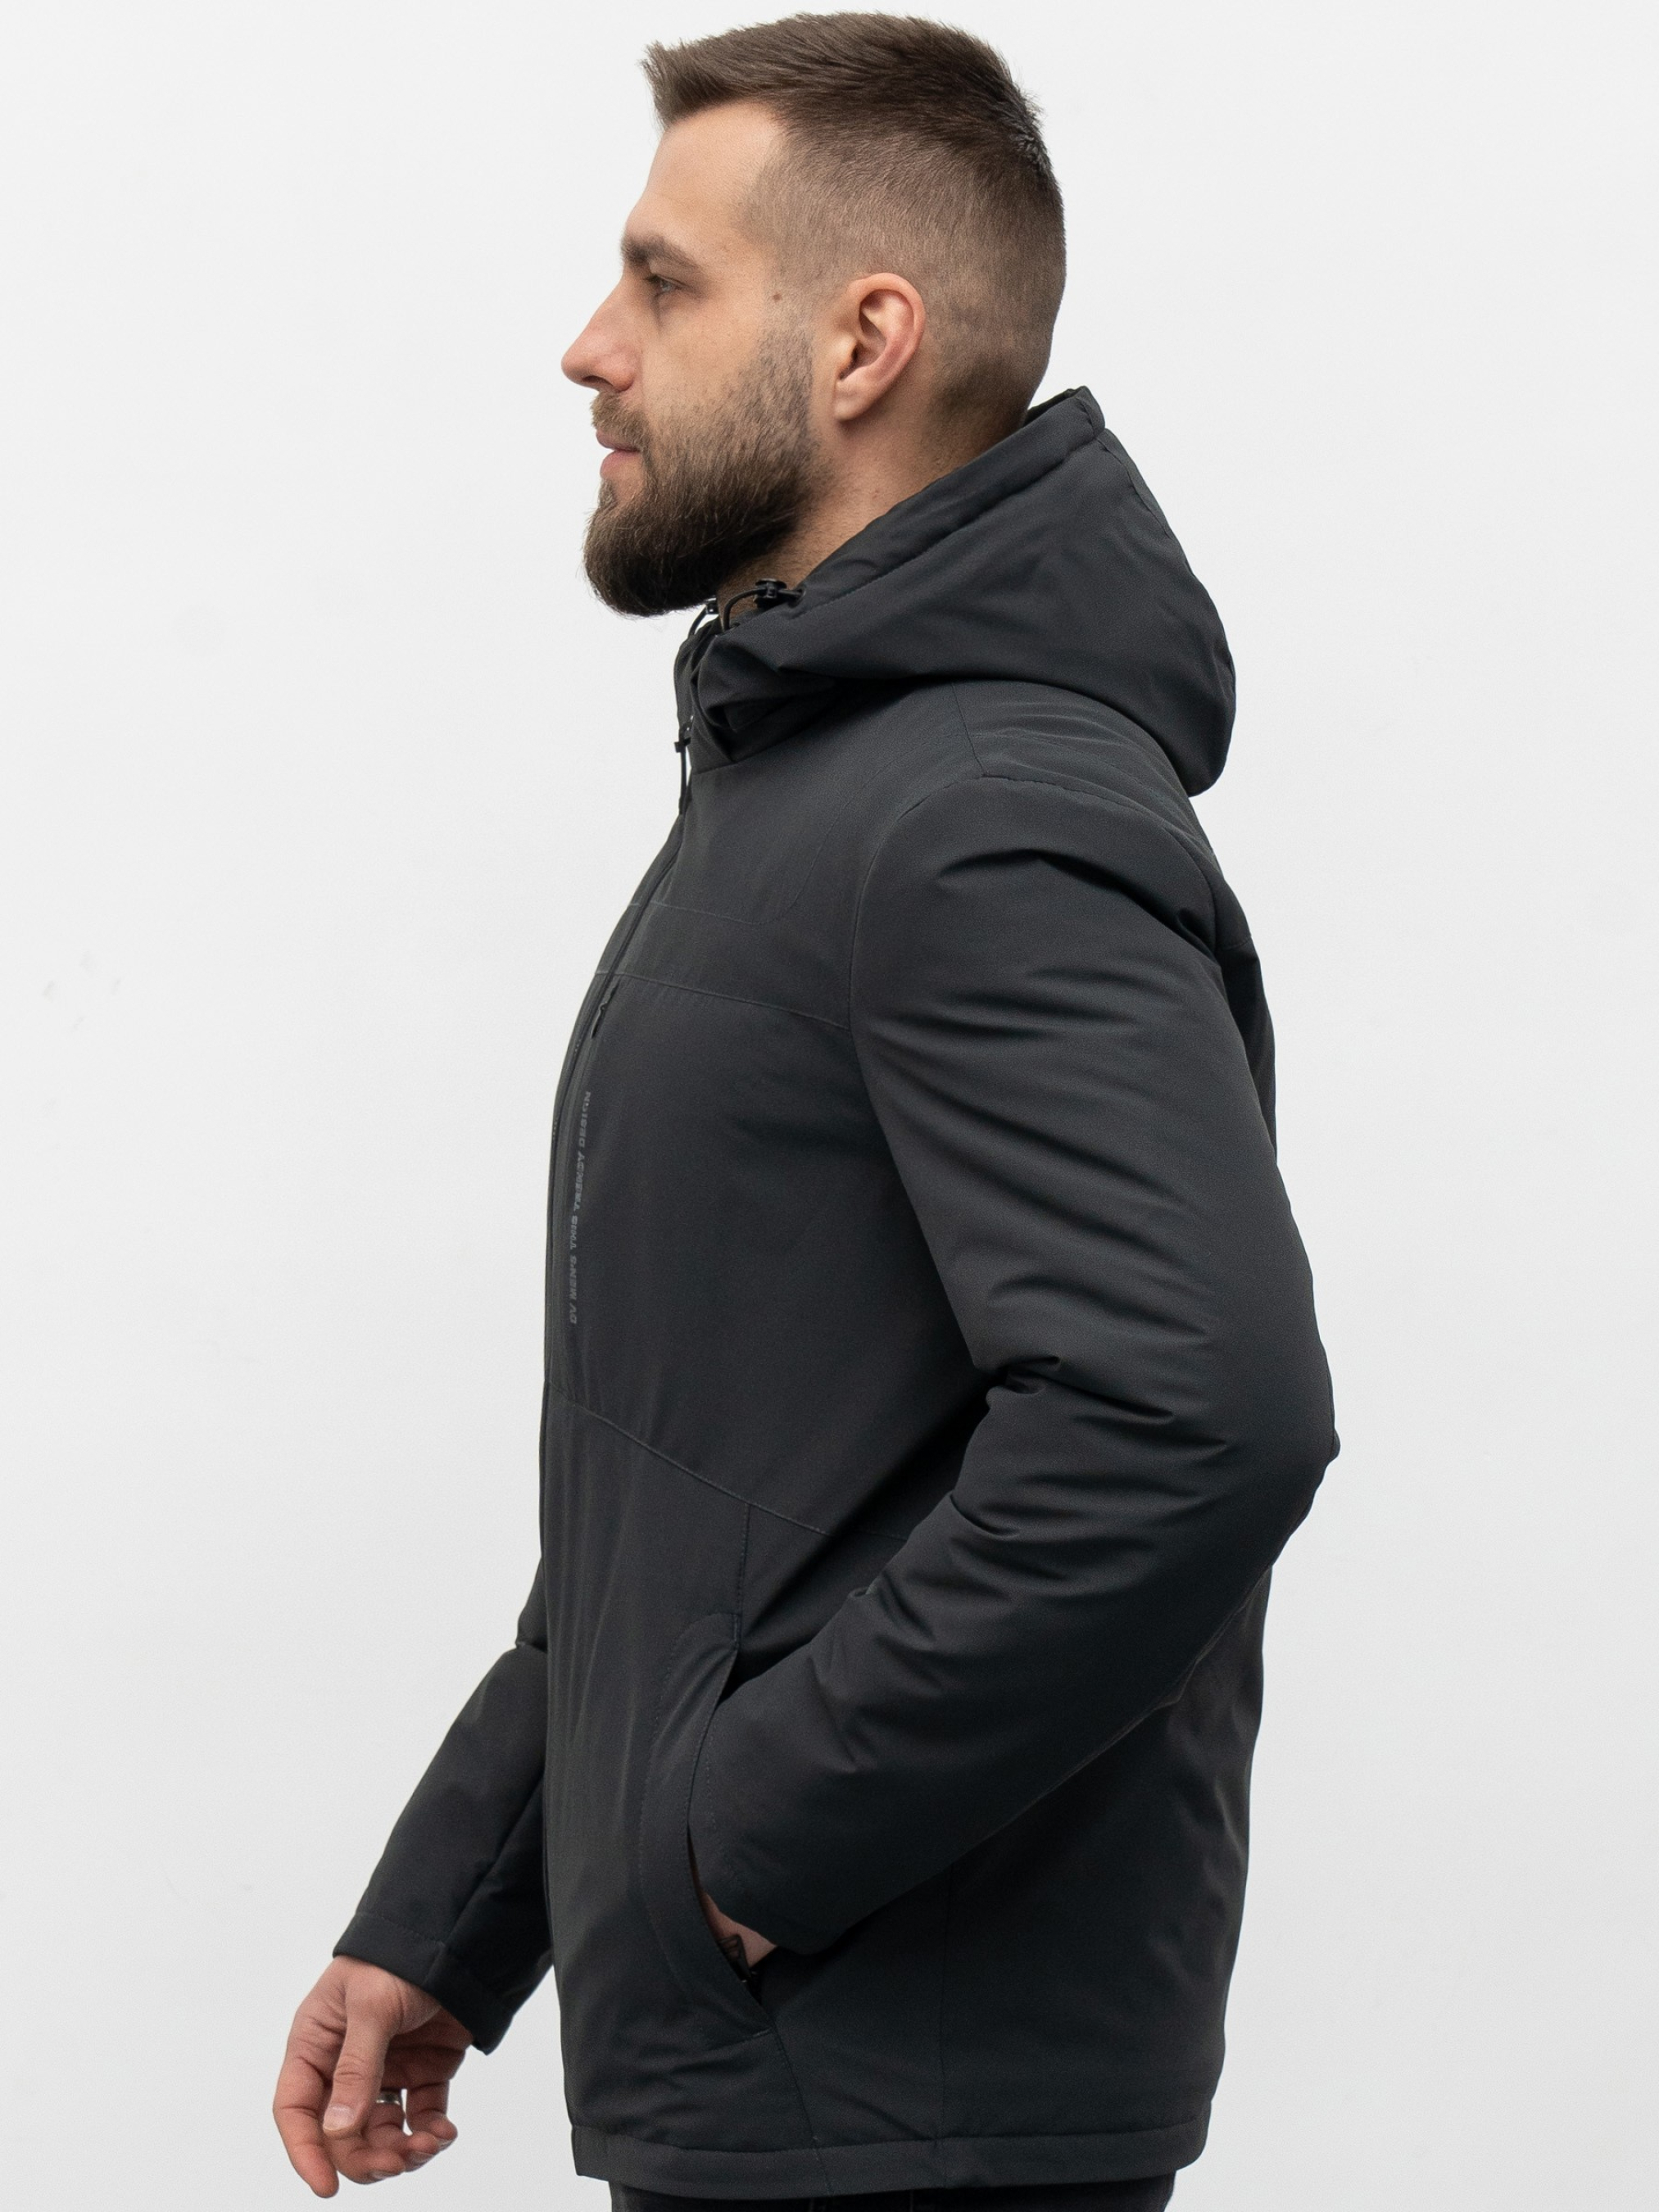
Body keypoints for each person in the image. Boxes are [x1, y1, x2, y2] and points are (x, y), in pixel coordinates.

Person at [274, 14, 1337, 2209]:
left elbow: (1192, 1420)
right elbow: (711, 1482)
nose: (591, 347)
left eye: (663, 283)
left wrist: (739, 1851)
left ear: (863, 341)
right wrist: (461, 1904)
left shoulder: (979, 812)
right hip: (817, 2087)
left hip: (900, 2109)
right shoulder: (821, 791)